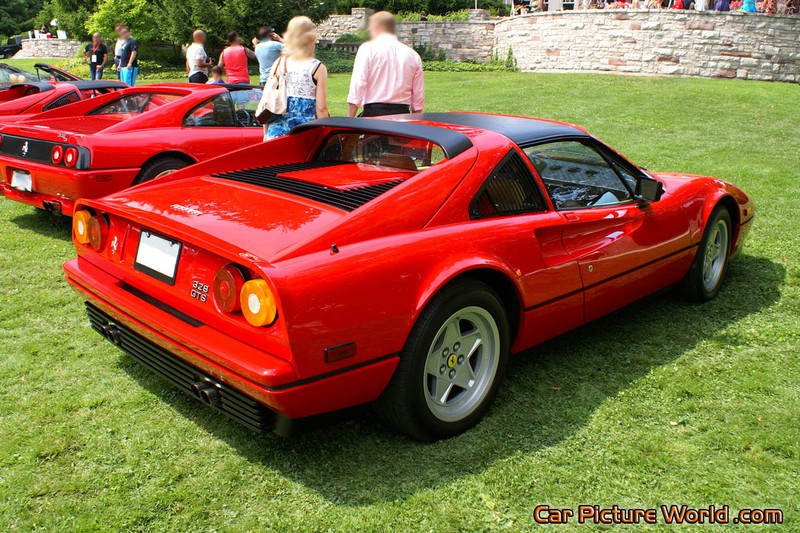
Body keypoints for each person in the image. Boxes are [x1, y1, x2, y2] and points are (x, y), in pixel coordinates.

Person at [347, 11, 424, 118]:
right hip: (403, 116)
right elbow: (418, 99)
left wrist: (349, 119)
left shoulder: (367, 49)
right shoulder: (413, 55)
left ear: (376, 27)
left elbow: (358, 85)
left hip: (373, 116)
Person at [265, 16, 329, 140]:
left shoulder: (278, 63)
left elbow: (267, 100)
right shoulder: (317, 67)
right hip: (305, 135)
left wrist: (266, 133)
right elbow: (321, 109)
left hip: (276, 134)